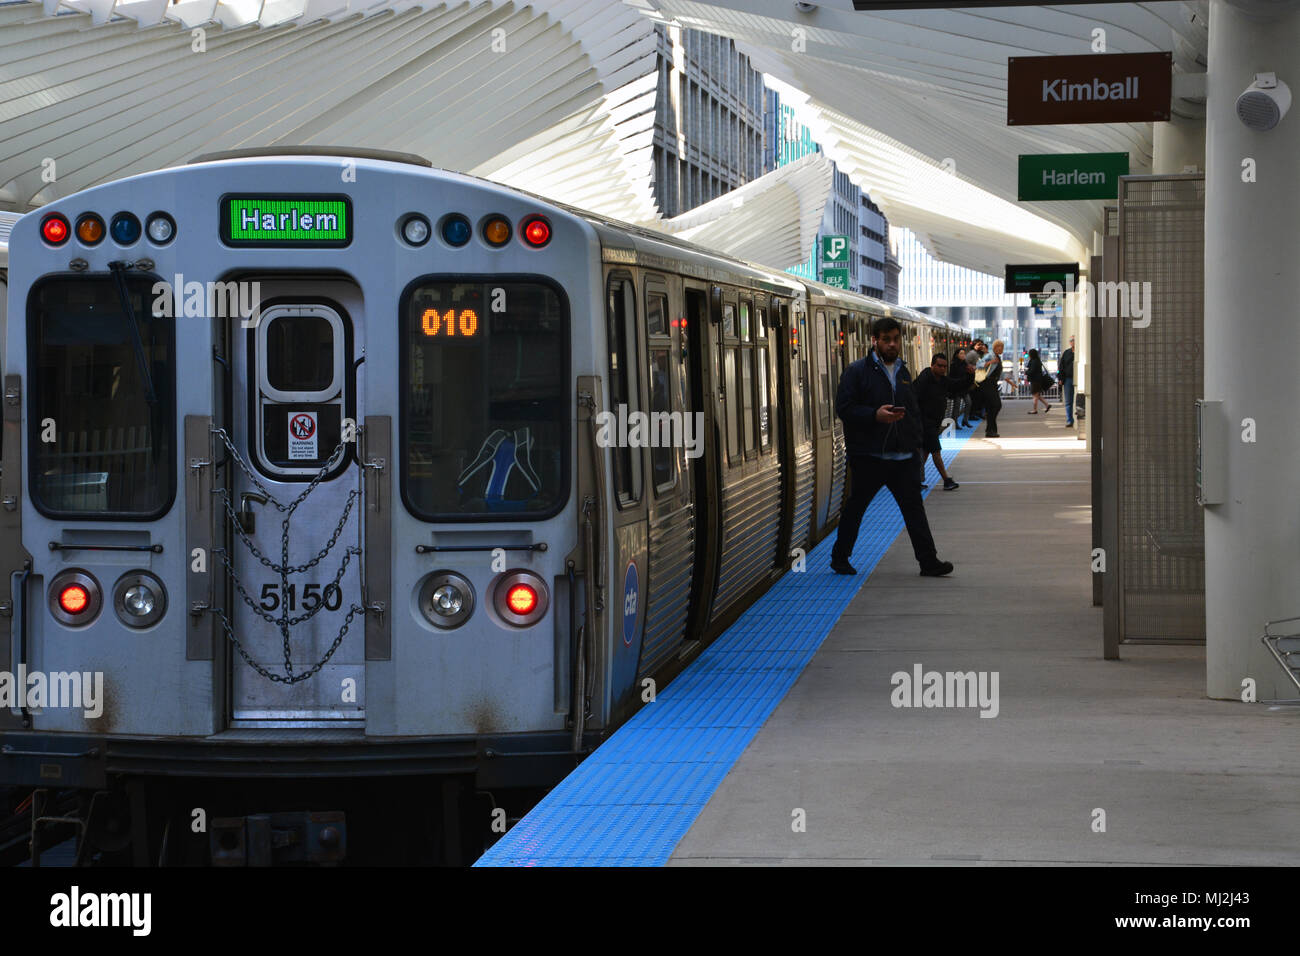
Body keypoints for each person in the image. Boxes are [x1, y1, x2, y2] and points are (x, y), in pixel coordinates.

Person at [829, 317, 954, 578]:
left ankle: (928, 562)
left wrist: (916, 442)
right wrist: (875, 414)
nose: (892, 344)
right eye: (886, 339)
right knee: (855, 508)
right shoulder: (856, 372)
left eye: (896, 339)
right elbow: (844, 408)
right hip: (869, 457)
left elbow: (913, 411)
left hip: (903, 456)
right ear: (875, 341)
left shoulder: (903, 372)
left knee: (914, 510)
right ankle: (840, 558)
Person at [913, 353, 960, 491]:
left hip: (933, 422)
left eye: (945, 366)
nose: (942, 369)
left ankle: (916, 480)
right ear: (932, 365)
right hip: (925, 422)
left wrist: (970, 377)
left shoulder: (941, 380)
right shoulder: (924, 380)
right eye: (939, 366)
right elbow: (914, 399)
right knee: (936, 451)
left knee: (926, 451)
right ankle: (946, 480)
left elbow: (956, 385)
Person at [980, 338, 1005, 438]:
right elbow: (979, 365)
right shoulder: (990, 356)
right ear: (995, 347)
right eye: (999, 346)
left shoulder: (997, 357)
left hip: (993, 383)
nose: (1001, 348)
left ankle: (990, 430)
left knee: (992, 407)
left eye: (1002, 347)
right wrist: (990, 363)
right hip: (987, 383)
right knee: (996, 405)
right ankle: (990, 429)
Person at [949, 347, 972, 427]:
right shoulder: (953, 365)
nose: (963, 355)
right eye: (961, 353)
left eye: (964, 354)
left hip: (964, 388)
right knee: (957, 406)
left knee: (968, 402)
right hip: (957, 388)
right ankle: (954, 423)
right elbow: (951, 377)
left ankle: (965, 420)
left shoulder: (965, 364)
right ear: (957, 355)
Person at [1025, 347, 1052, 414]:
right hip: (1037, 380)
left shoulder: (1034, 361)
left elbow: (1032, 371)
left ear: (1031, 354)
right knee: (1037, 395)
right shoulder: (1037, 360)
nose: (1028, 355)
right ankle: (1047, 405)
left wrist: (1026, 372)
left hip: (1035, 381)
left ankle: (1035, 410)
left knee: (1035, 395)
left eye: (1029, 354)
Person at [1059, 335, 1076, 428]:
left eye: (1074, 340)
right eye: (1071, 340)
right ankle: (1070, 420)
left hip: (1078, 378)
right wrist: (1061, 379)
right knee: (1068, 401)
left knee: (1077, 399)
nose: (1072, 342)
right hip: (1068, 379)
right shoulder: (1066, 353)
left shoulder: (1080, 352)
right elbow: (1061, 367)